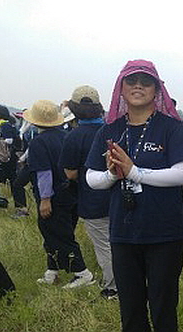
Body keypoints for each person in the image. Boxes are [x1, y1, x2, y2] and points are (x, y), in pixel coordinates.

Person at [85, 60, 183, 332]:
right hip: (123, 232)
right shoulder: (108, 130)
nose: (138, 86)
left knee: (163, 305)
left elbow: (181, 174)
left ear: (156, 89)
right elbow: (91, 178)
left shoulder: (172, 128)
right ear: (120, 89)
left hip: (165, 233)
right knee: (130, 309)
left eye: (146, 81)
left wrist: (135, 172)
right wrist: (113, 175)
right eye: (131, 81)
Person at [24, 100, 94, 288]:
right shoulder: (66, 136)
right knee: (57, 234)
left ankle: (82, 273)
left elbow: (44, 172)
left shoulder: (38, 142)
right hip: (71, 194)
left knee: (60, 237)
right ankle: (52, 271)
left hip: (53, 197)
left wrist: (45, 199)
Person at [58, 85, 117, 299]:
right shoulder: (113, 130)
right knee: (119, 242)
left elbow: (71, 174)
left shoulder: (74, 137)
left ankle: (113, 288)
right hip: (119, 198)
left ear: (74, 109)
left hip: (92, 200)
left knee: (105, 246)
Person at [0, 104, 21, 209]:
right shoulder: (6, 124)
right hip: (8, 158)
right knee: (14, 182)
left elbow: (9, 140)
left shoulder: (4, 125)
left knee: (14, 182)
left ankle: (19, 206)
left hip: (7, 158)